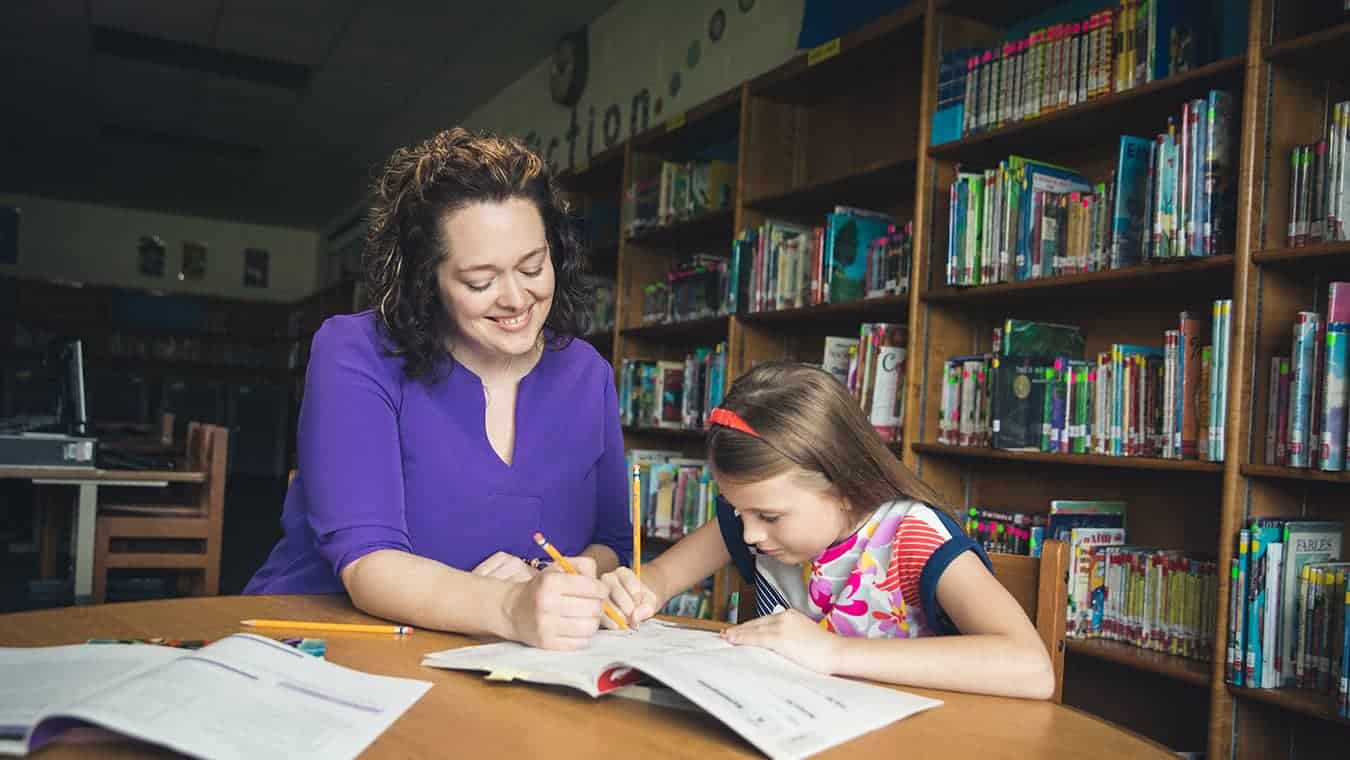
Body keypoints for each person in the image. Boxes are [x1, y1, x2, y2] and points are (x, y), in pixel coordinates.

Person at [246, 128, 627, 651]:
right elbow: (368, 564)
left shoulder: (588, 373)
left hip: (501, 663)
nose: (517, 298)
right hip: (324, 646)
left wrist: (567, 579)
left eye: (533, 267)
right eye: (479, 280)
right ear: (425, 279)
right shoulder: (354, 352)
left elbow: (611, 544)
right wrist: (508, 606)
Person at [601, 362, 1056, 699]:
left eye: (770, 517)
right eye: (738, 511)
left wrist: (832, 652)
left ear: (842, 486)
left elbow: (1032, 668)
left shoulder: (911, 537)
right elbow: (658, 577)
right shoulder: (751, 521)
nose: (750, 534)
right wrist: (638, 591)